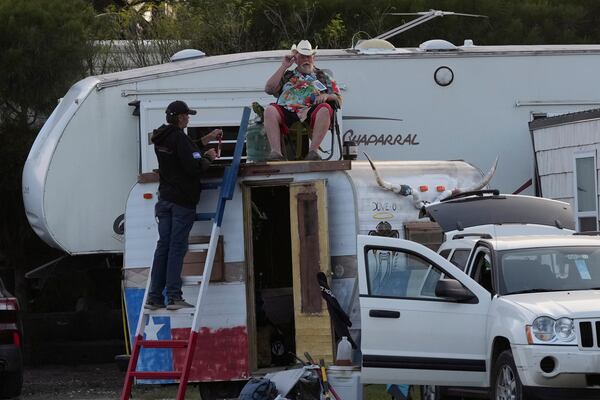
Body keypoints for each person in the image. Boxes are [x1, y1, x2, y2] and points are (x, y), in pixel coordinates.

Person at [144, 100, 222, 311]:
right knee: (177, 248)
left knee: (163, 247)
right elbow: (193, 167)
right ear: (180, 118)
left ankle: (154, 297)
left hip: (165, 201)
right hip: (182, 202)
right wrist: (208, 158)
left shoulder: (162, 136)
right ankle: (174, 296)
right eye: (187, 115)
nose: (188, 118)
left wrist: (207, 139)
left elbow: (187, 146)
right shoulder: (179, 138)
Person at [264, 39, 342, 161]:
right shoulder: (288, 75)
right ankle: (276, 153)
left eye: (309, 56)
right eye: (302, 56)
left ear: (313, 58)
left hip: (311, 110)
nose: (306, 60)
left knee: (326, 109)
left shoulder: (323, 76)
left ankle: (313, 151)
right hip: (288, 110)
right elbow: (269, 89)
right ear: (296, 59)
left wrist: (326, 96)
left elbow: (338, 97)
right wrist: (284, 66)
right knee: (269, 110)